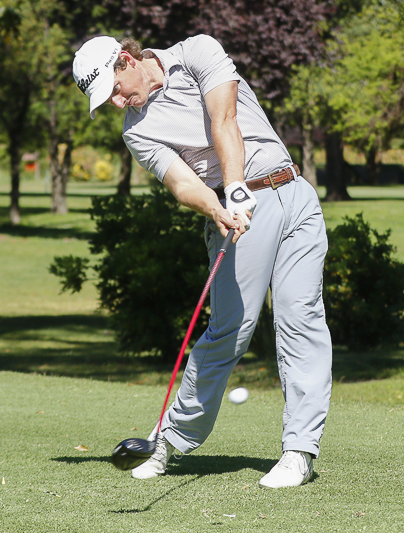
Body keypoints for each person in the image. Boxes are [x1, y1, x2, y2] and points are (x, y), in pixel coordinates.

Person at [72, 34, 333, 488]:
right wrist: (218, 207)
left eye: (114, 90)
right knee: (231, 330)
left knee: (303, 318)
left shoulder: (196, 52)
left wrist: (235, 186)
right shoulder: (137, 131)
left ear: (126, 60)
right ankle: (167, 441)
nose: (116, 103)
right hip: (235, 214)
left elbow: (223, 117)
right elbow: (182, 183)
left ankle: (299, 451)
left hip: (293, 193)